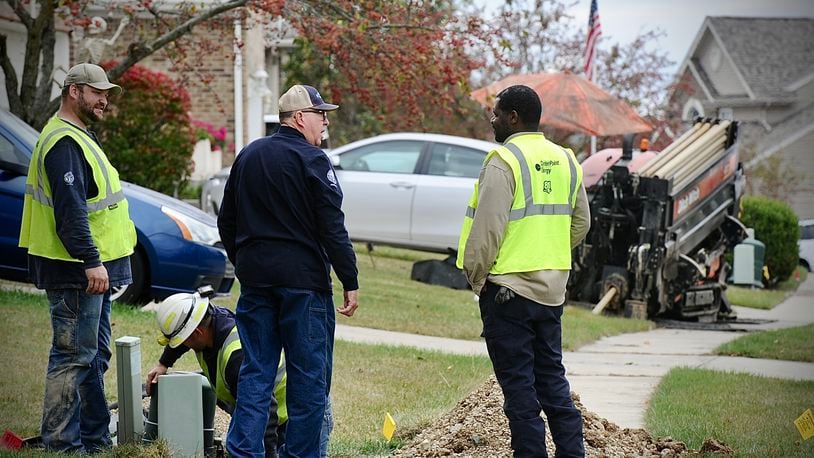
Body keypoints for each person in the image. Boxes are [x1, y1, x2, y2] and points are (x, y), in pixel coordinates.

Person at [219, 84, 359, 458]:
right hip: (303, 287)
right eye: (320, 113)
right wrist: (350, 279)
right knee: (308, 381)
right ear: (299, 117)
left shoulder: (249, 155)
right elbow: (332, 226)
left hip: (257, 284)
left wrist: (246, 262)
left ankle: (243, 453)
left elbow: (226, 220)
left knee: (256, 372)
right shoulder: (313, 160)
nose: (325, 121)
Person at [456, 84, 590, 457]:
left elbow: (487, 230)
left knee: (519, 391)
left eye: (496, 114)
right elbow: (581, 224)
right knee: (552, 382)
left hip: (507, 293)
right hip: (551, 293)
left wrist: (477, 278)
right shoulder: (566, 159)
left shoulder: (504, 160)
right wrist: (549, 255)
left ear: (514, 117)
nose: (492, 120)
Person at [18, 63, 136, 452]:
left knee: (92, 355)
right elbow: (71, 213)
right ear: (74, 91)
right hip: (76, 272)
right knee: (73, 357)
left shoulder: (79, 136)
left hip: (89, 270)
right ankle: (62, 445)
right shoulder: (64, 144)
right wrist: (91, 260)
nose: (105, 99)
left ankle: (94, 438)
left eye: (107, 93)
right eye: (97, 91)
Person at [146, 292, 334, 458]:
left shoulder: (237, 357)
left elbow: (266, 415)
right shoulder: (212, 321)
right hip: (275, 412)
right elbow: (183, 333)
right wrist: (164, 363)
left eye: (183, 341)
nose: (183, 345)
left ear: (197, 332)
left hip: (296, 418)